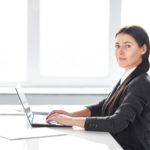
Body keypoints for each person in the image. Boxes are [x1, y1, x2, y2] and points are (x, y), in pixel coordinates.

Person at [46, 25, 150, 150]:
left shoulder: (141, 83)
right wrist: (71, 115)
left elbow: (117, 122)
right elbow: (103, 107)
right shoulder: (129, 76)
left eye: (127, 46)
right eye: (117, 46)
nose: (120, 52)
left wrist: (71, 121)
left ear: (143, 49)